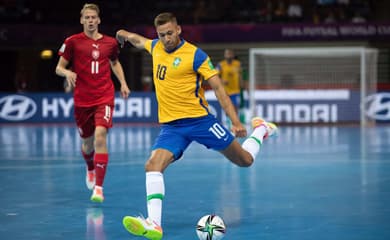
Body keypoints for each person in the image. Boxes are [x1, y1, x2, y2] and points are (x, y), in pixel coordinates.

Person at [116, 12, 277, 240]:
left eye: (170, 33)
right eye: (162, 35)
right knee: (152, 165)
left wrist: (236, 121)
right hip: (172, 127)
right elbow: (137, 39)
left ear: (179, 30)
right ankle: (154, 224)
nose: (166, 39)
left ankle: (261, 128)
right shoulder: (155, 47)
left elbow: (219, 89)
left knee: (245, 161)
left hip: (201, 121)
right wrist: (121, 34)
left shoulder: (195, 55)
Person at [55, 3, 130, 203]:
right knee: (87, 145)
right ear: (82, 20)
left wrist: (122, 82)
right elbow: (58, 68)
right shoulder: (72, 42)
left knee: (100, 137)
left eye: (93, 17)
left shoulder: (110, 43)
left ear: (98, 20)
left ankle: (98, 188)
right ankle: (90, 168)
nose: (90, 21)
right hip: (82, 100)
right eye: (86, 17)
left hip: (104, 96)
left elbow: (115, 63)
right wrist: (68, 72)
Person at [216, 48, 244, 127]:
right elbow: (215, 76)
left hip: (235, 90)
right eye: (227, 54)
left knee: (235, 107)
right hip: (225, 91)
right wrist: (222, 81)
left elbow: (240, 74)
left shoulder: (238, 64)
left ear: (233, 55)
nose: (229, 55)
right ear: (225, 55)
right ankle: (229, 123)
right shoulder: (221, 65)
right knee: (227, 108)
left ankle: (235, 124)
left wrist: (241, 82)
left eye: (230, 54)